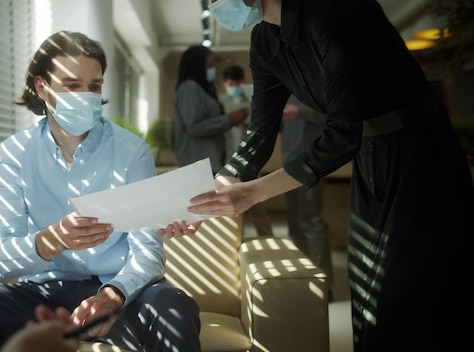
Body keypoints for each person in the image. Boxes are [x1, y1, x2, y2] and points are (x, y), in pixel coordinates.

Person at [187, 1, 474, 351]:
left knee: (413, 289)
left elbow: (341, 135)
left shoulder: (331, 11)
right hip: (371, 157)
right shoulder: (264, 40)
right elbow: (259, 133)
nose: (214, 4)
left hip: (418, 150)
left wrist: (253, 193)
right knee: (369, 288)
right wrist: (207, 196)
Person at [0, 31, 201, 352]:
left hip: (115, 291)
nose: (86, 95)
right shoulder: (15, 153)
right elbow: (1, 259)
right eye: (72, 85)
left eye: (94, 86)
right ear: (42, 87)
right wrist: (51, 240)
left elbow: (147, 252)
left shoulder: (130, 151)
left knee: (173, 305)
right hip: (41, 294)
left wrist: (112, 295)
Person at [281, 95, 333, 296]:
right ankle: (303, 278)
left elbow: (333, 115)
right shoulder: (286, 86)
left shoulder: (316, 82)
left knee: (310, 220)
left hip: (311, 162)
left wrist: (300, 112)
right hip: (289, 163)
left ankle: (323, 284)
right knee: (294, 222)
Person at [172, 45, 249, 173]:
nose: (213, 70)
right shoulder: (189, 88)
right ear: (197, 66)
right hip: (198, 166)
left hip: (209, 164)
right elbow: (194, 127)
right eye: (209, 66)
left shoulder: (201, 90)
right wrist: (230, 120)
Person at [219, 64, 274, 238]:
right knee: (231, 209)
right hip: (226, 161)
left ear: (242, 82)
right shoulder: (220, 102)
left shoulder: (251, 99)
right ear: (224, 84)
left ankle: (267, 239)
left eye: (236, 84)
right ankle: (236, 241)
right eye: (230, 85)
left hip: (247, 162)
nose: (233, 88)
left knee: (256, 204)